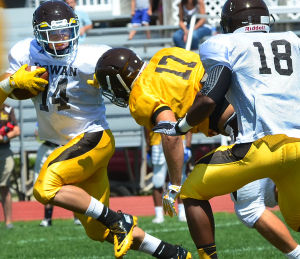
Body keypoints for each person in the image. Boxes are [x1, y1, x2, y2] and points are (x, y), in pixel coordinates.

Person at [0, 1, 192, 258]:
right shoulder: (25, 51)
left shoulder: (93, 55)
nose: (60, 40)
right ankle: (171, 253)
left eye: (65, 32)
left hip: (93, 137)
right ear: (39, 34)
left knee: (44, 188)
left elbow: (139, 77)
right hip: (69, 150)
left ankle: (119, 221)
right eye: (53, 34)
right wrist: (11, 83)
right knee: (99, 231)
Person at [152, 0, 300, 258]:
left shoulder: (222, 44)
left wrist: (181, 126)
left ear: (230, 24)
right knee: (296, 220)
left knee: (192, 191)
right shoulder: (292, 39)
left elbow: (210, 97)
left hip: (261, 146)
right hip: (298, 144)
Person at [93, 46, 236, 221]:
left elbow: (171, 134)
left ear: (119, 83)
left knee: (242, 206)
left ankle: (206, 250)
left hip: (237, 120)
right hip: (244, 91)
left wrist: (175, 184)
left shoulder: (141, 95)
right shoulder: (164, 53)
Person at [145, 129, 192, 223]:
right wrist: (148, 146)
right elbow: (146, 126)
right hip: (157, 143)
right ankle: (159, 215)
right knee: (157, 181)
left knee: (181, 179)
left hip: (178, 141)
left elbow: (188, 123)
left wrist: (188, 145)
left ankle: (182, 212)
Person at [0, 103, 20, 229]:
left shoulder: (8, 109)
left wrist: (4, 138)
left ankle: (8, 222)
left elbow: (17, 130)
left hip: (4, 151)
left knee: (4, 186)